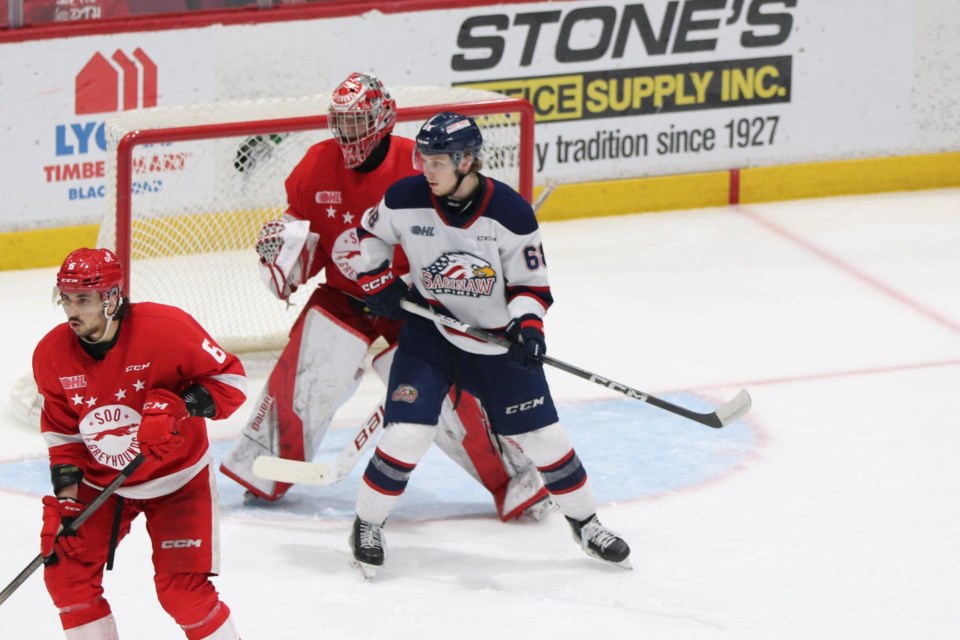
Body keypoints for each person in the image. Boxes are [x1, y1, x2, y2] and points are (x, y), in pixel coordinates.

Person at [219, 72, 549, 523]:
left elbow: (455, 238)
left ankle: (518, 480)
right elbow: (307, 244)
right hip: (343, 297)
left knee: (446, 397)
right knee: (310, 367)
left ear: (382, 120)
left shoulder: (419, 168)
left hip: (411, 306)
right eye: (342, 123)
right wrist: (283, 260)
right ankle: (261, 469)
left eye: (357, 123)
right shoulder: (314, 166)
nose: (348, 135)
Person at [350, 112, 632, 575]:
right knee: (407, 434)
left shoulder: (510, 212)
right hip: (431, 332)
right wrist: (376, 278)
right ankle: (367, 524)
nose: (426, 169)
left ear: (466, 160)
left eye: (437, 161)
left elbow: (531, 286)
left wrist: (528, 330)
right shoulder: (404, 198)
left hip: (494, 342)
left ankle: (586, 523)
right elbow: (370, 234)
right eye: (423, 159)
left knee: (544, 440)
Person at [33, 247, 246, 639]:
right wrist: (66, 500)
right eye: (66, 298)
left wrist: (181, 407)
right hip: (102, 485)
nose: (71, 310)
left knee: (182, 593)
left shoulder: (167, 328)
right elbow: (64, 438)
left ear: (111, 298)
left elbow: (233, 383)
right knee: (66, 573)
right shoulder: (50, 355)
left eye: (83, 299)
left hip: (177, 479)